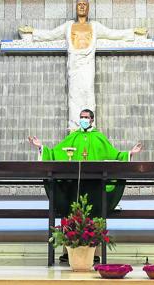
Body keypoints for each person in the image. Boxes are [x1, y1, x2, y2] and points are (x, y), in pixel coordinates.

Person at [28, 109, 142, 262]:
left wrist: (130, 153)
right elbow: (54, 153)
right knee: (70, 212)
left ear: (92, 120)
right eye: (81, 117)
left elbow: (115, 155)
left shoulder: (99, 138)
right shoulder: (73, 137)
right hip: (74, 186)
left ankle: (94, 254)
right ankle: (68, 252)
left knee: (94, 215)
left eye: (86, 117)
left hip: (94, 186)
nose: (83, 119)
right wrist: (41, 147)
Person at [19, 0, 147, 129]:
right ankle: (74, 129)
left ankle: (89, 128)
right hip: (74, 65)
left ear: (88, 8)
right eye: (79, 4)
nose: (81, 6)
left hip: (87, 65)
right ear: (76, 7)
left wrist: (132, 32)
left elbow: (112, 34)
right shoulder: (68, 26)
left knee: (88, 94)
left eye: (84, 4)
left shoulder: (95, 26)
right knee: (74, 96)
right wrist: (33, 32)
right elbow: (51, 34)